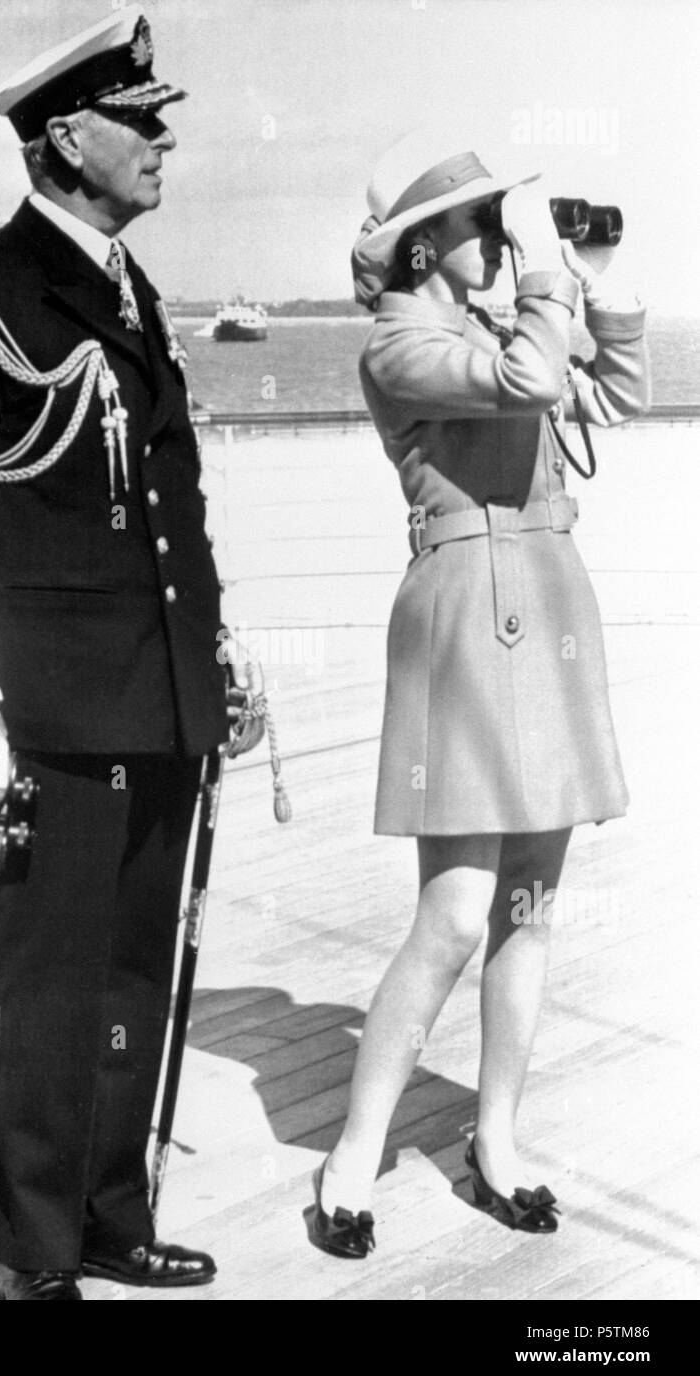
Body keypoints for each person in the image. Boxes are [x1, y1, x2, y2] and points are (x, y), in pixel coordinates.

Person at [0, 9, 242, 1300]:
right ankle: (31, 1250)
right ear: (63, 139)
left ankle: (106, 1213)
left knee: (133, 972)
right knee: (43, 984)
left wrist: (214, 655)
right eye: (137, 121)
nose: (162, 141)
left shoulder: (133, 293)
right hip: (39, 712)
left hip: (155, 700)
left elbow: (171, 506)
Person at [310, 132, 650, 1256]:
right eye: (481, 221)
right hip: (463, 616)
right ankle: (352, 1152)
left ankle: (494, 1141)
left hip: (546, 603)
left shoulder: (505, 329)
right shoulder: (397, 341)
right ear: (420, 246)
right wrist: (543, 273)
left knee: (528, 907)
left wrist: (597, 285)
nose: (499, 240)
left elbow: (616, 395)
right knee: (455, 913)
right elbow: (532, 384)